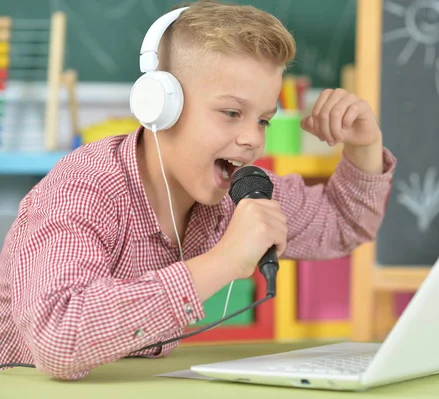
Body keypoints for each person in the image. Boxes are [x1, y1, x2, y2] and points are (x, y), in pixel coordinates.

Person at [0, 0, 396, 380]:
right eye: (231, 113)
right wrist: (224, 261)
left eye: (263, 120)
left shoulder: (236, 192)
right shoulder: (83, 189)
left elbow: (344, 224)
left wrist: (364, 146)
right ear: (160, 106)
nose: (251, 140)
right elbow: (58, 337)